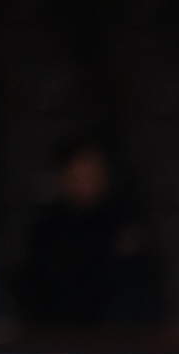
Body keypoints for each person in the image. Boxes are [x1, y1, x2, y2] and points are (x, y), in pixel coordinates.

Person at [20, 138, 154, 329]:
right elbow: (37, 295)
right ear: (63, 178)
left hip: (117, 335)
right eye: (80, 175)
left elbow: (138, 295)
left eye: (95, 174)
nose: (89, 183)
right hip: (58, 335)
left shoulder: (124, 223)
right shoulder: (46, 230)